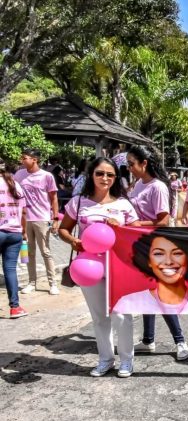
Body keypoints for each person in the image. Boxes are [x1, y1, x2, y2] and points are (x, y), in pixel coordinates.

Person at [58, 157, 140, 377]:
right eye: (100, 173)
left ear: (116, 178)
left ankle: (126, 361)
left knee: (122, 314)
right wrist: (74, 241)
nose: (105, 178)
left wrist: (121, 228)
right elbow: (63, 229)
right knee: (99, 317)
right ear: (91, 175)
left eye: (110, 175)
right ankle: (105, 359)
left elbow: (136, 236)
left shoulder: (123, 204)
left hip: (118, 266)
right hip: (88, 266)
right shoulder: (78, 202)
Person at [126, 146, 188, 361]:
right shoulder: (137, 185)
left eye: (132, 164)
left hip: (156, 247)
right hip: (139, 246)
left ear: (144, 163)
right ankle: (148, 340)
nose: (129, 168)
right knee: (147, 294)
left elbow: (162, 220)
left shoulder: (158, 187)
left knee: (160, 293)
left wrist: (134, 224)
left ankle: (180, 341)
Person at [113, 228, 188, 315]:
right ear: (149, 261)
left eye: (177, 253)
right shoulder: (128, 303)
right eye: (158, 254)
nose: (168, 262)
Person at [15, 148, 60, 296]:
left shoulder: (47, 176)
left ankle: (52, 283)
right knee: (29, 252)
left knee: (45, 251)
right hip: (24, 219)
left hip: (41, 218)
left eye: (25, 158)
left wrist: (55, 219)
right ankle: (31, 282)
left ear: (34, 159)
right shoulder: (19, 174)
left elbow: (53, 198)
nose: (22, 161)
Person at [0, 158, 28, 318]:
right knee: (10, 270)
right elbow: (24, 212)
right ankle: (15, 308)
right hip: (15, 233)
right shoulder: (15, 185)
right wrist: (23, 231)